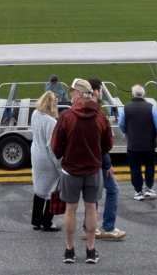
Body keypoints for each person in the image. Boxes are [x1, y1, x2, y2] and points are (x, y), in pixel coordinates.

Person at [51, 78, 113, 265]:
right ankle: (91, 250)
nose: (70, 95)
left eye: (72, 91)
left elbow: (55, 146)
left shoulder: (67, 117)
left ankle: (69, 250)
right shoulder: (100, 116)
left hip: (71, 170)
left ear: (78, 93)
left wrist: (65, 155)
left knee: (71, 209)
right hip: (93, 169)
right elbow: (108, 145)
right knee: (91, 208)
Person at [88, 78, 126, 241]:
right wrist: (108, 164)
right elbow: (103, 144)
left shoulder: (80, 110)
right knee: (112, 190)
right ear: (96, 91)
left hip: (87, 160)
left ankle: (90, 227)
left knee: (92, 194)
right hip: (99, 161)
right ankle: (107, 227)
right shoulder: (97, 113)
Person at [119, 84, 157, 200]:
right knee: (150, 166)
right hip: (149, 143)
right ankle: (149, 188)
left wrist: (127, 132)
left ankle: (138, 191)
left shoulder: (126, 107)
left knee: (135, 168)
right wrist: (155, 135)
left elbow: (121, 124)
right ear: (143, 94)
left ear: (133, 94)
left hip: (133, 144)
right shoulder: (151, 107)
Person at [30, 91, 62, 231]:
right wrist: (59, 165)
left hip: (36, 154)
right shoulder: (52, 122)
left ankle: (36, 221)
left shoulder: (35, 114)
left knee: (39, 189)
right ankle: (47, 222)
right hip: (47, 159)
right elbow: (52, 146)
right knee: (52, 190)